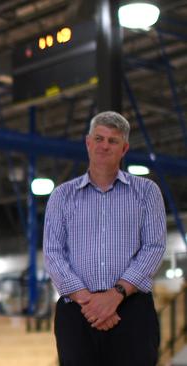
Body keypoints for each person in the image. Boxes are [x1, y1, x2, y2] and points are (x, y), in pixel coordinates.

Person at [43, 111, 166, 365]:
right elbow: (53, 252)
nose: (104, 145)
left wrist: (116, 295)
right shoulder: (61, 196)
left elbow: (154, 247)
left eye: (113, 140)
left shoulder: (147, 192)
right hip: (77, 312)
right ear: (88, 142)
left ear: (124, 148)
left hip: (131, 309)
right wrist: (89, 302)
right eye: (99, 138)